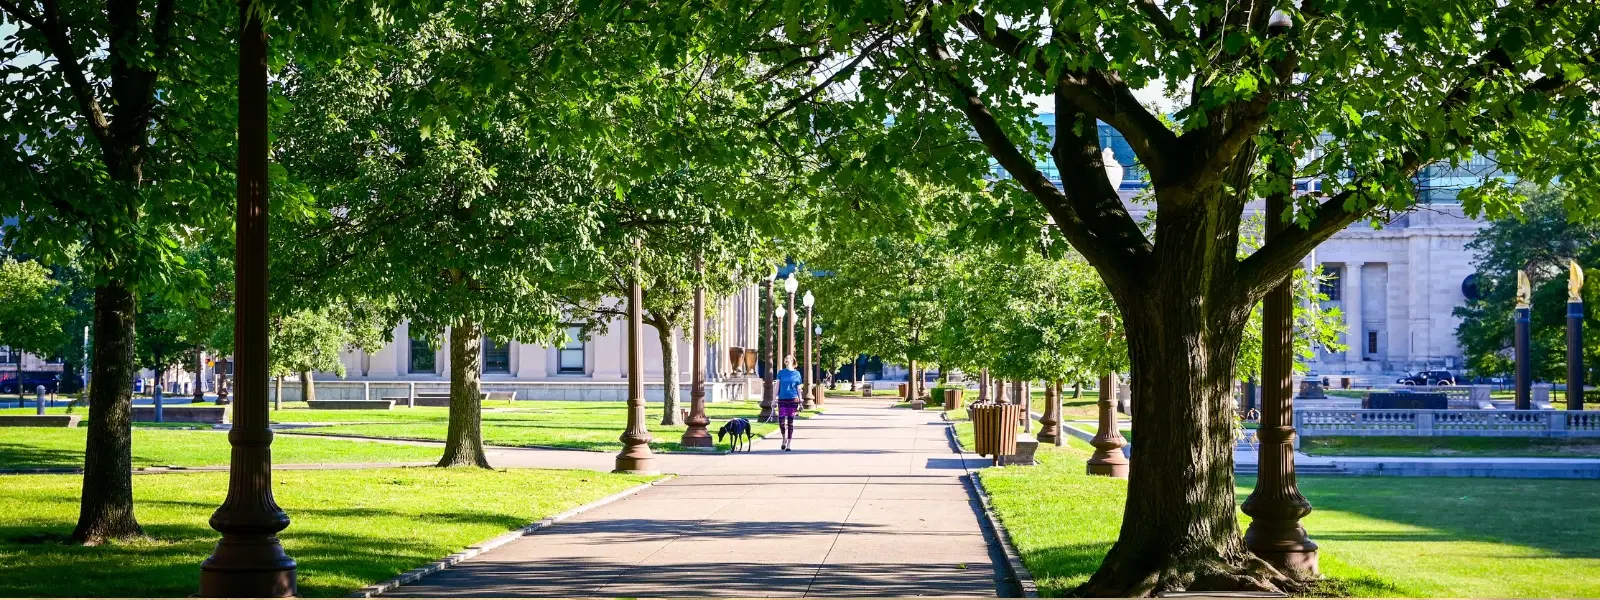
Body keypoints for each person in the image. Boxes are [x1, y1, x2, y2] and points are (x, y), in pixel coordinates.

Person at [775, 355, 803, 451]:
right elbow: (777, 386)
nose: (786, 360)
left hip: (793, 400)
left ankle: (789, 444)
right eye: (785, 359)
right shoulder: (781, 373)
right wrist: (774, 399)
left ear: (792, 361)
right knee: (781, 421)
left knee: (790, 422)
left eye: (788, 359)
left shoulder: (797, 374)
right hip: (782, 399)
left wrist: (800, 401)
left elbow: (799, 389)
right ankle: (784, 439)